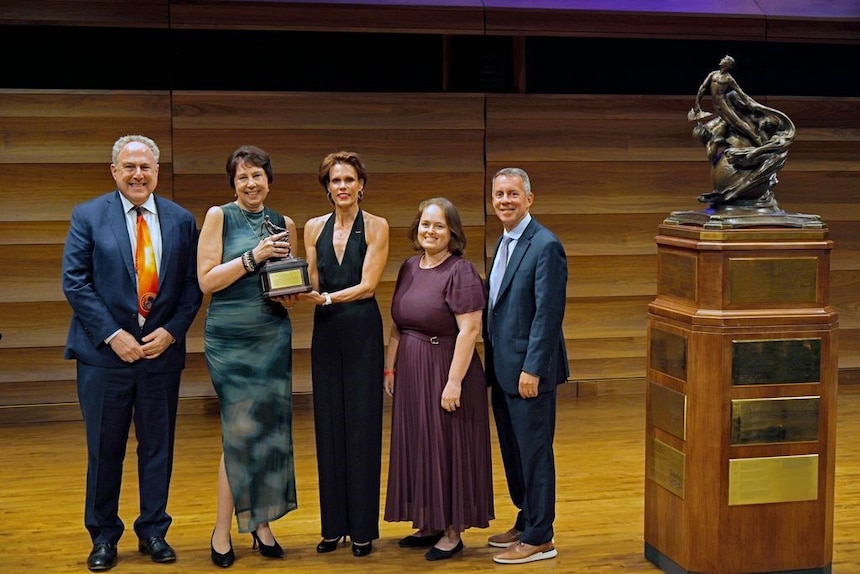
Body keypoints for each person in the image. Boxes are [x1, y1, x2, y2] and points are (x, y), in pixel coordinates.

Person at [62, 134, 203, 571]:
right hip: (105, 358)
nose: (138, 174)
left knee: (157, 447)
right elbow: (76, 282)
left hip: (160, 356)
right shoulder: (88, 215)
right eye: (129, 166)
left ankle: (154, 530)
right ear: (115, 171)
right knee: (105, 449)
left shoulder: (181, 220)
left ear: (157, 172)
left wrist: (172, 332)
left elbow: (190, 288)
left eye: (145, 167)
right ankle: (103, 537)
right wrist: (112, 335)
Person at [197, 145, 298, 568]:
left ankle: (262, 524)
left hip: (272, 333)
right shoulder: (219, 216)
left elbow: (289, 281)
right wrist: (253, 257)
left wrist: (291, 293)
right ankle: (222, 530)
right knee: (239, 434)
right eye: (242, 177)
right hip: (230, 340)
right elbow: (207, 281)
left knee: (271, 431)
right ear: (233, 184)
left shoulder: (285, 222)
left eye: (257, 175)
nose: (251, 183)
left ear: (269, 179)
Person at [384, 197, 494, 560]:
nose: (430, 231)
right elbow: (398, 326)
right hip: (412, 371)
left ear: (452, 233)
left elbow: (470, 329)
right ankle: (429, 521)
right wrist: (390, 368)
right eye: (425, 224)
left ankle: (452, 531)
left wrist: (454, 382)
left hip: (446, 368)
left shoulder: (460, 271)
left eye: (439, 226)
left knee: (449, 447)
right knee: (420, 444)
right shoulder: (408, 267)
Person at [298, 151, 388, 557]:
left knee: (363, 427)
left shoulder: (377, 226)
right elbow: (312, 279)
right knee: (329, 425)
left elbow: (368, 285)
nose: (342, 187)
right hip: (327, 331)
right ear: (327, 187)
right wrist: (295, 290)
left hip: (363, 331)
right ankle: (333, 527)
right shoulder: (314, 227)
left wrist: (326, 297)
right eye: (335, 181)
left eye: (349, 179)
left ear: (361, 185)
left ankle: (364, 529)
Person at [483, 167, 568, 565]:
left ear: (529, 199)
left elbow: (548, 316)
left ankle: (540, 536)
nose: (504, 200)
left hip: (529, 373)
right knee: (515, 452)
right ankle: (526, 517)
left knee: (534, 453)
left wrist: (532, 369)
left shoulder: (545, 244)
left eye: (513, 194)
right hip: (503, 372)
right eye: (499, 194)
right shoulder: (503, 244)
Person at [692, 55, 764, 146]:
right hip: (716, 105)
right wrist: (697, 102)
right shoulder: (713, 74)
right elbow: (703, 87)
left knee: (738, 122)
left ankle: (758, 140)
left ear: (728, 64)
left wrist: (748, 103)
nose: (722, 59)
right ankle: (745, 141)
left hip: (724, 104)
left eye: (725, 59)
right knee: (731, 124)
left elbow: (740, 91)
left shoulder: (729, 79)